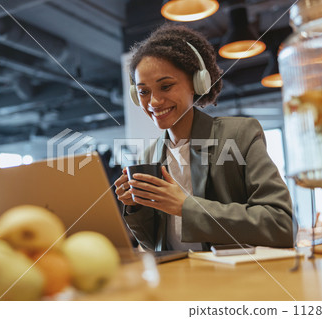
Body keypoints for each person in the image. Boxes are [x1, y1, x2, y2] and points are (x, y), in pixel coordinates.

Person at [114, 24, 293, 251]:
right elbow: (155, 246)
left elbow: (281, 224)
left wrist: (186, 207)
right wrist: (135, 208)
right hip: (179, 280)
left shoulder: (238, 135)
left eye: (166, 86)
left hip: (235, 279)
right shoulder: (149, 155)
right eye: (143, 92)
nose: (154, 102)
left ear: (197, 83)